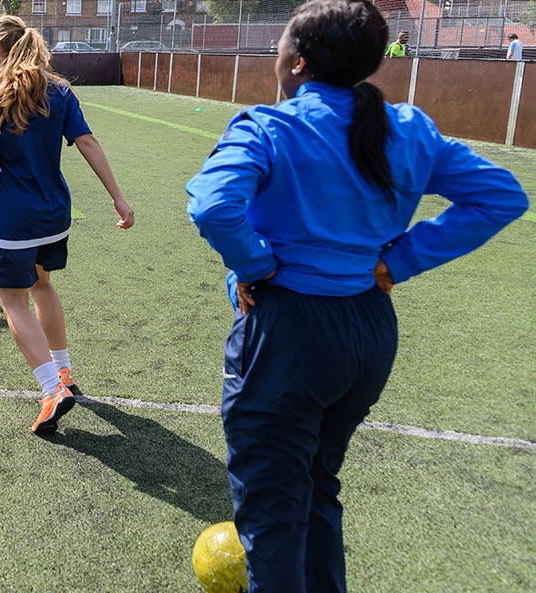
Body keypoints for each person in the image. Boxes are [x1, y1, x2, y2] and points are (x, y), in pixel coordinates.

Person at [185, 0, 528, 591]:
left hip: (288, 333)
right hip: (368, 335)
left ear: (295, 63)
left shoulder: (272, 126)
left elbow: (213, 205)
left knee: (271, 520)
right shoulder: (410, 130)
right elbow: (503, 196)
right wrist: (399, 260)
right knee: (317, 487)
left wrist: (255, 264)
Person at [0, 15, 134, 435]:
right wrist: (118, 196)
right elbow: (88, 143)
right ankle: (65, 373)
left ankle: (52, 389)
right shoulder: (60, 90)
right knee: (41, 284)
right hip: (56, 216)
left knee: (12, 301)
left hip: (15, 220)